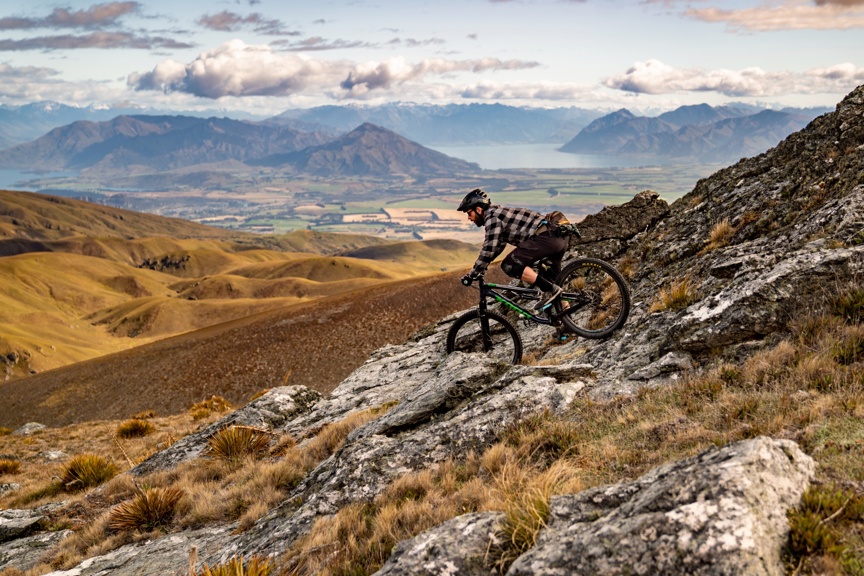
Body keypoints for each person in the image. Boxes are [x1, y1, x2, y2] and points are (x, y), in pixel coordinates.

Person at [457, 188, 569, 310]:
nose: (469, 218)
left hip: (546, 239)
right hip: (558, 239)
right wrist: (482, 268)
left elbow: (488, 249)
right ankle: (565, 314)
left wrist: (472, 274)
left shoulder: (492, 217)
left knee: (510, 265)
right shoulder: (499, 213)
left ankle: (551, 290)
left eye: (469, 213)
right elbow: (497, 247)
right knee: (552, 280)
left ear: (478, 209)